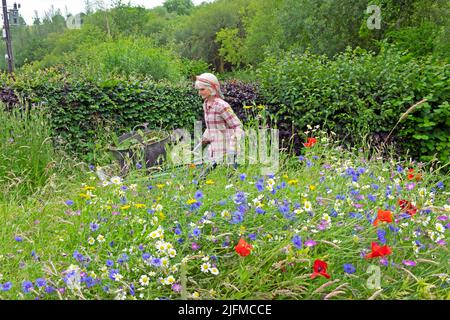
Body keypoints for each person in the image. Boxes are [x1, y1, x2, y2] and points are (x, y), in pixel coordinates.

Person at [194, 73, 243, 173]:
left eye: (202, 89)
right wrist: (203, 140)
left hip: (228, 152)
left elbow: (237, 126)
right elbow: (211, 126)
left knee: (232, 182)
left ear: (212, 88)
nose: (199, 93)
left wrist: (233, 148)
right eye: (199, 90)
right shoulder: (206, 104)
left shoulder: (221, 105)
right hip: (215, 150)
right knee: (202, 176)